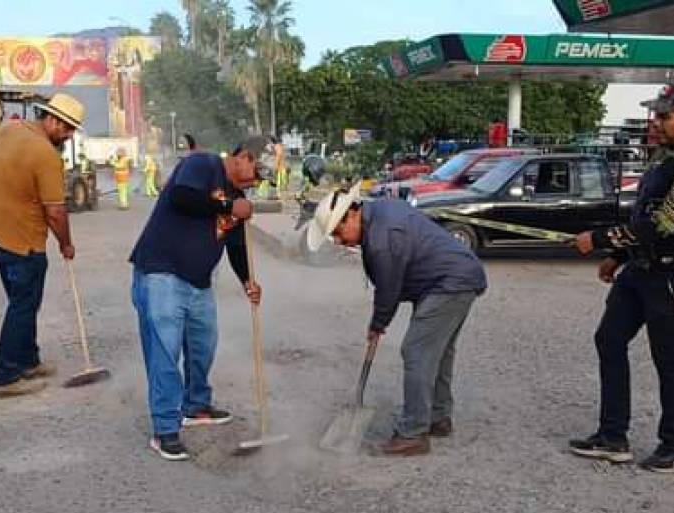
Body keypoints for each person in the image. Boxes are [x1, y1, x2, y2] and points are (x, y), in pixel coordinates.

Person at [570, 81, 674, 474]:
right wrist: (617, 255)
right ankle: (612, 436)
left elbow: (664, 224)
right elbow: (641, 217)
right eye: (656, 114)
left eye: (664, 115)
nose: (656, 122)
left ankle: (673, 447)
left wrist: (599, 241)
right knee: (609, 339)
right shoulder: (662, 158)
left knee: (667, 358)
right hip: (639, 269)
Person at [307, 184, 487, 457]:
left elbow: (389, 287)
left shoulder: (382, 237)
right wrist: (380, 321)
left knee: (416, 350)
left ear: (352, 215)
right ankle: (437, 417)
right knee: (437, 351)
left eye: (337, 232)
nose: (339, 241)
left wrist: (378, 324)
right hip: (452, 278)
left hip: (448, 282)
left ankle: (413, 433)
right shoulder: (379, 210)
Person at [130, 135, 277, 461]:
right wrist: (227, 206)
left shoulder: (239, 197)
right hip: (161, 273)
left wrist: (247, 281)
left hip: (198, 282)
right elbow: (183, 197)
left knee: (203, 345)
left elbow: (236, 244)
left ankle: (195, 405)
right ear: (243, 156)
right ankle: (165, 429)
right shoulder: (203, 164)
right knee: (165, 353)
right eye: (257, 171)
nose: (256, 182)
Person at [0, 93, 85, 397]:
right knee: (23, 304)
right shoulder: (46, 155)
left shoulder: (8, 129)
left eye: (73, 129)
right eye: (67, 128)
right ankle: (5, 375)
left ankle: (27, 360)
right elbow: (56, 211)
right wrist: (67, 244)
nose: (69, 135)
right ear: (51, 119)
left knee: (24, 300)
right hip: (21, 241)